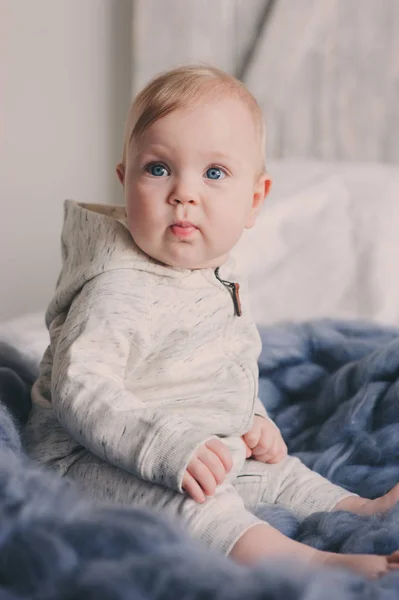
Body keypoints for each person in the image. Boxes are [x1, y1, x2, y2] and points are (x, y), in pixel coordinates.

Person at [26, 64, 399, 578]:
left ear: (254, 200)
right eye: (158, 169)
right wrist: (168, 448)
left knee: (276, 473)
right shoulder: (117, 287)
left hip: (191, 440)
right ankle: (315, 562)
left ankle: (357, 510)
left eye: (214, 173)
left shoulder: (214, 275)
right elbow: (81, 389)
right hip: (91, 459)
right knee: (198, 509)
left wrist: (251, 420)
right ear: (123, 179)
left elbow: (220, 368)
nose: (183, 193)